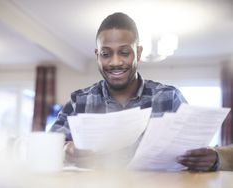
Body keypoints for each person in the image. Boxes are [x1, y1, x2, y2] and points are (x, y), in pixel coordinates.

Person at [50, 12, 230, 171]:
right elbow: (46, 148)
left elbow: (198, 153)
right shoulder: (79, 101)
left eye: (124, 52)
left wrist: (209, 158)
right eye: (106, 54)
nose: (115, 62)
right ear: (97, 55)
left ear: (139, 52)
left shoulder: (169, 97)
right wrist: (65, 150)